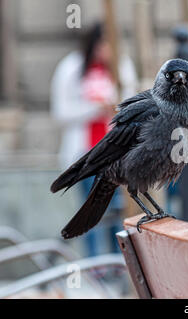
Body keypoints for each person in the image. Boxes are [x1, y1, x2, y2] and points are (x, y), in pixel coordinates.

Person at [51, 23, 138, 255]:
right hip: (85, 153)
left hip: (116, 153)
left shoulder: (122, 67)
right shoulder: (72, 68)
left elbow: (132, 105)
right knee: (90, 209)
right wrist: (94, 108)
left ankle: (116, 261)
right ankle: (94, 263)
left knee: (116, 209)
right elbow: (60, 111)